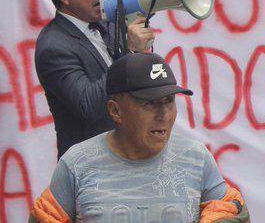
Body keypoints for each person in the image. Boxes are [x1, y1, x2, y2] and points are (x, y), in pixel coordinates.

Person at [31, 53, 245, 222]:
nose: (164, 114)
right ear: (115, 111)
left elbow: (229, 211)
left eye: (169, 101)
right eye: (149, 103)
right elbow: (46, 218)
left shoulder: (197, 158)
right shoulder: (77, 164)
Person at [35, 0, 163, 157]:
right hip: (92, 166)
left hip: (129, 154)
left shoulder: (105, 18)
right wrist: (130, 55)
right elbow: (89, 106)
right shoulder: (53, 46)